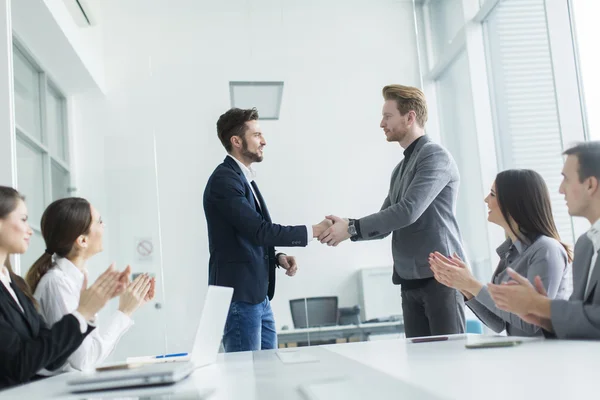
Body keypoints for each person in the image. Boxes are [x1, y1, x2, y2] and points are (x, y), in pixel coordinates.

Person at [319, 84, 466, 338]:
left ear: (409, 118)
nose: (381, 123)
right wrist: (346, 226)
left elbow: (407, 212)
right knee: (421, 368)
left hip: (441, 280)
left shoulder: (434, 156)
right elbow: (386, 224)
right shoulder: (400, 169)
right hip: (410, 283)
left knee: (449, 366)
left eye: (387, 116)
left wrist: (351, 227)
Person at [203, 107, 331, 352]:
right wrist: (313, 230)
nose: (264, 141)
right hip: (239, 298)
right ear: (236, 141)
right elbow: (260, 231)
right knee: (246, 379)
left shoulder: (242, 178)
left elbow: (245, 237)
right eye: (257, 135)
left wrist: (277, 257)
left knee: (267, 375)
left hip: (257, 298)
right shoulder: (224, 180)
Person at [0, 186, 125, 389]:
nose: (30, 230)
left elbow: (51, 357)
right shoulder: (54, 282)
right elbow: (20, 365)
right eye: (23, 219)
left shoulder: (15, 284)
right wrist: (83, 313)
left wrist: (85, 313)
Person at [429, 169, 572, 336]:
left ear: (513, 202)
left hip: (547, 356)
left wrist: (473, 285)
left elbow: (532, 322)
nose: (486, 200)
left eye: (492, 194)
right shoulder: (511, 253)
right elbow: (499, 324)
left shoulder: (547, 250)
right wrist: (466, 289)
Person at [26, 197, 155, 373]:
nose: (104, 226)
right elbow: (85, 360)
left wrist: (126, 306)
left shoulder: (74, 280)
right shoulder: (57, 284)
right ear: (82, 241)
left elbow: (89, 354)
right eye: (100, 222)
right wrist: (124, 312)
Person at [488, 142, 600, 339]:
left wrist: (541, 306)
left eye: (566, 179)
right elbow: (581, 321)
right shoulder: (585, 245)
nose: (560, 190)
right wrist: (543, 319)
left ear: (590, 184)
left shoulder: (547, 248)